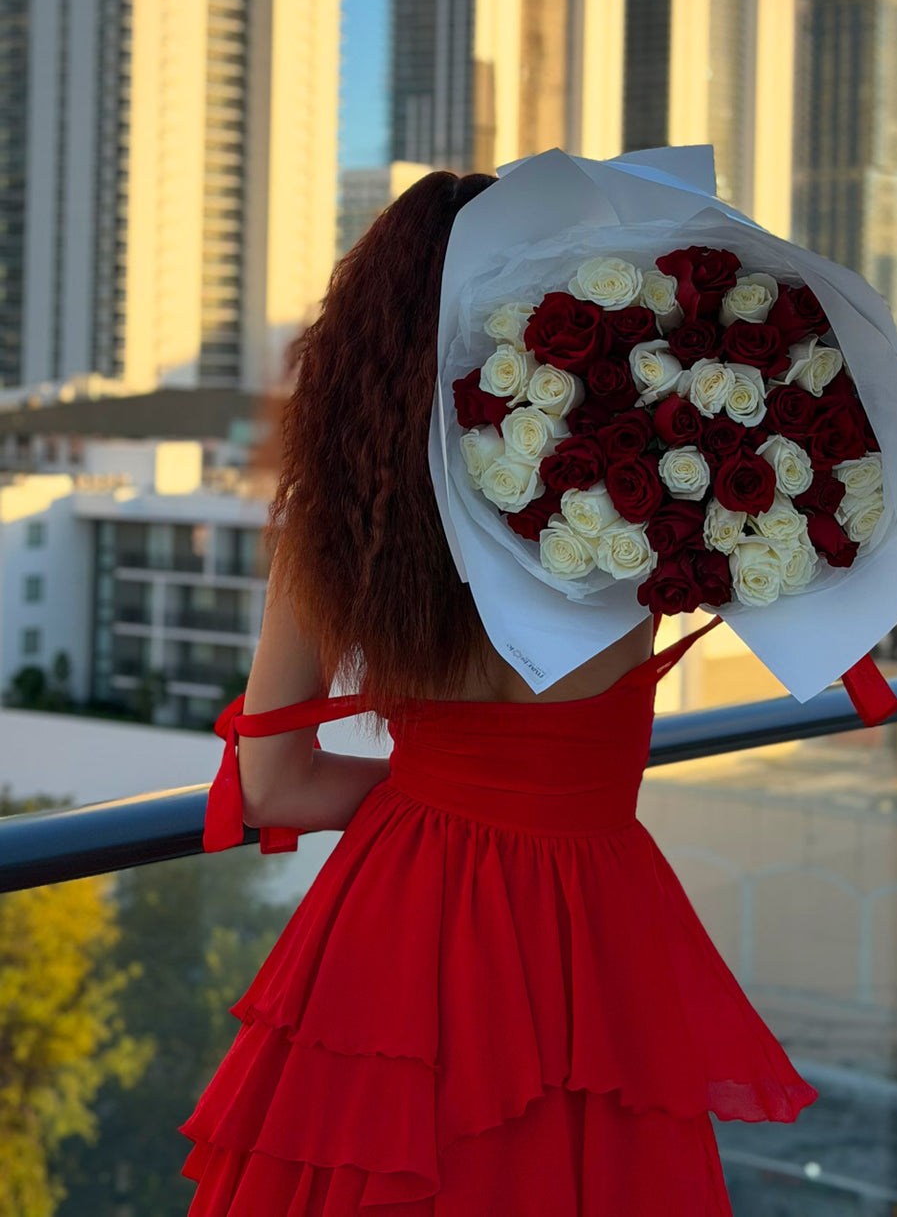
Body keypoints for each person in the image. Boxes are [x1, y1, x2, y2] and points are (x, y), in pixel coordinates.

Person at [178, 170, 818, 1216]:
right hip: (597, 924)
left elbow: (273, 784)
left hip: (407, 921)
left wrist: (443, 797)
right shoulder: (648, 490)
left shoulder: (342, 525)